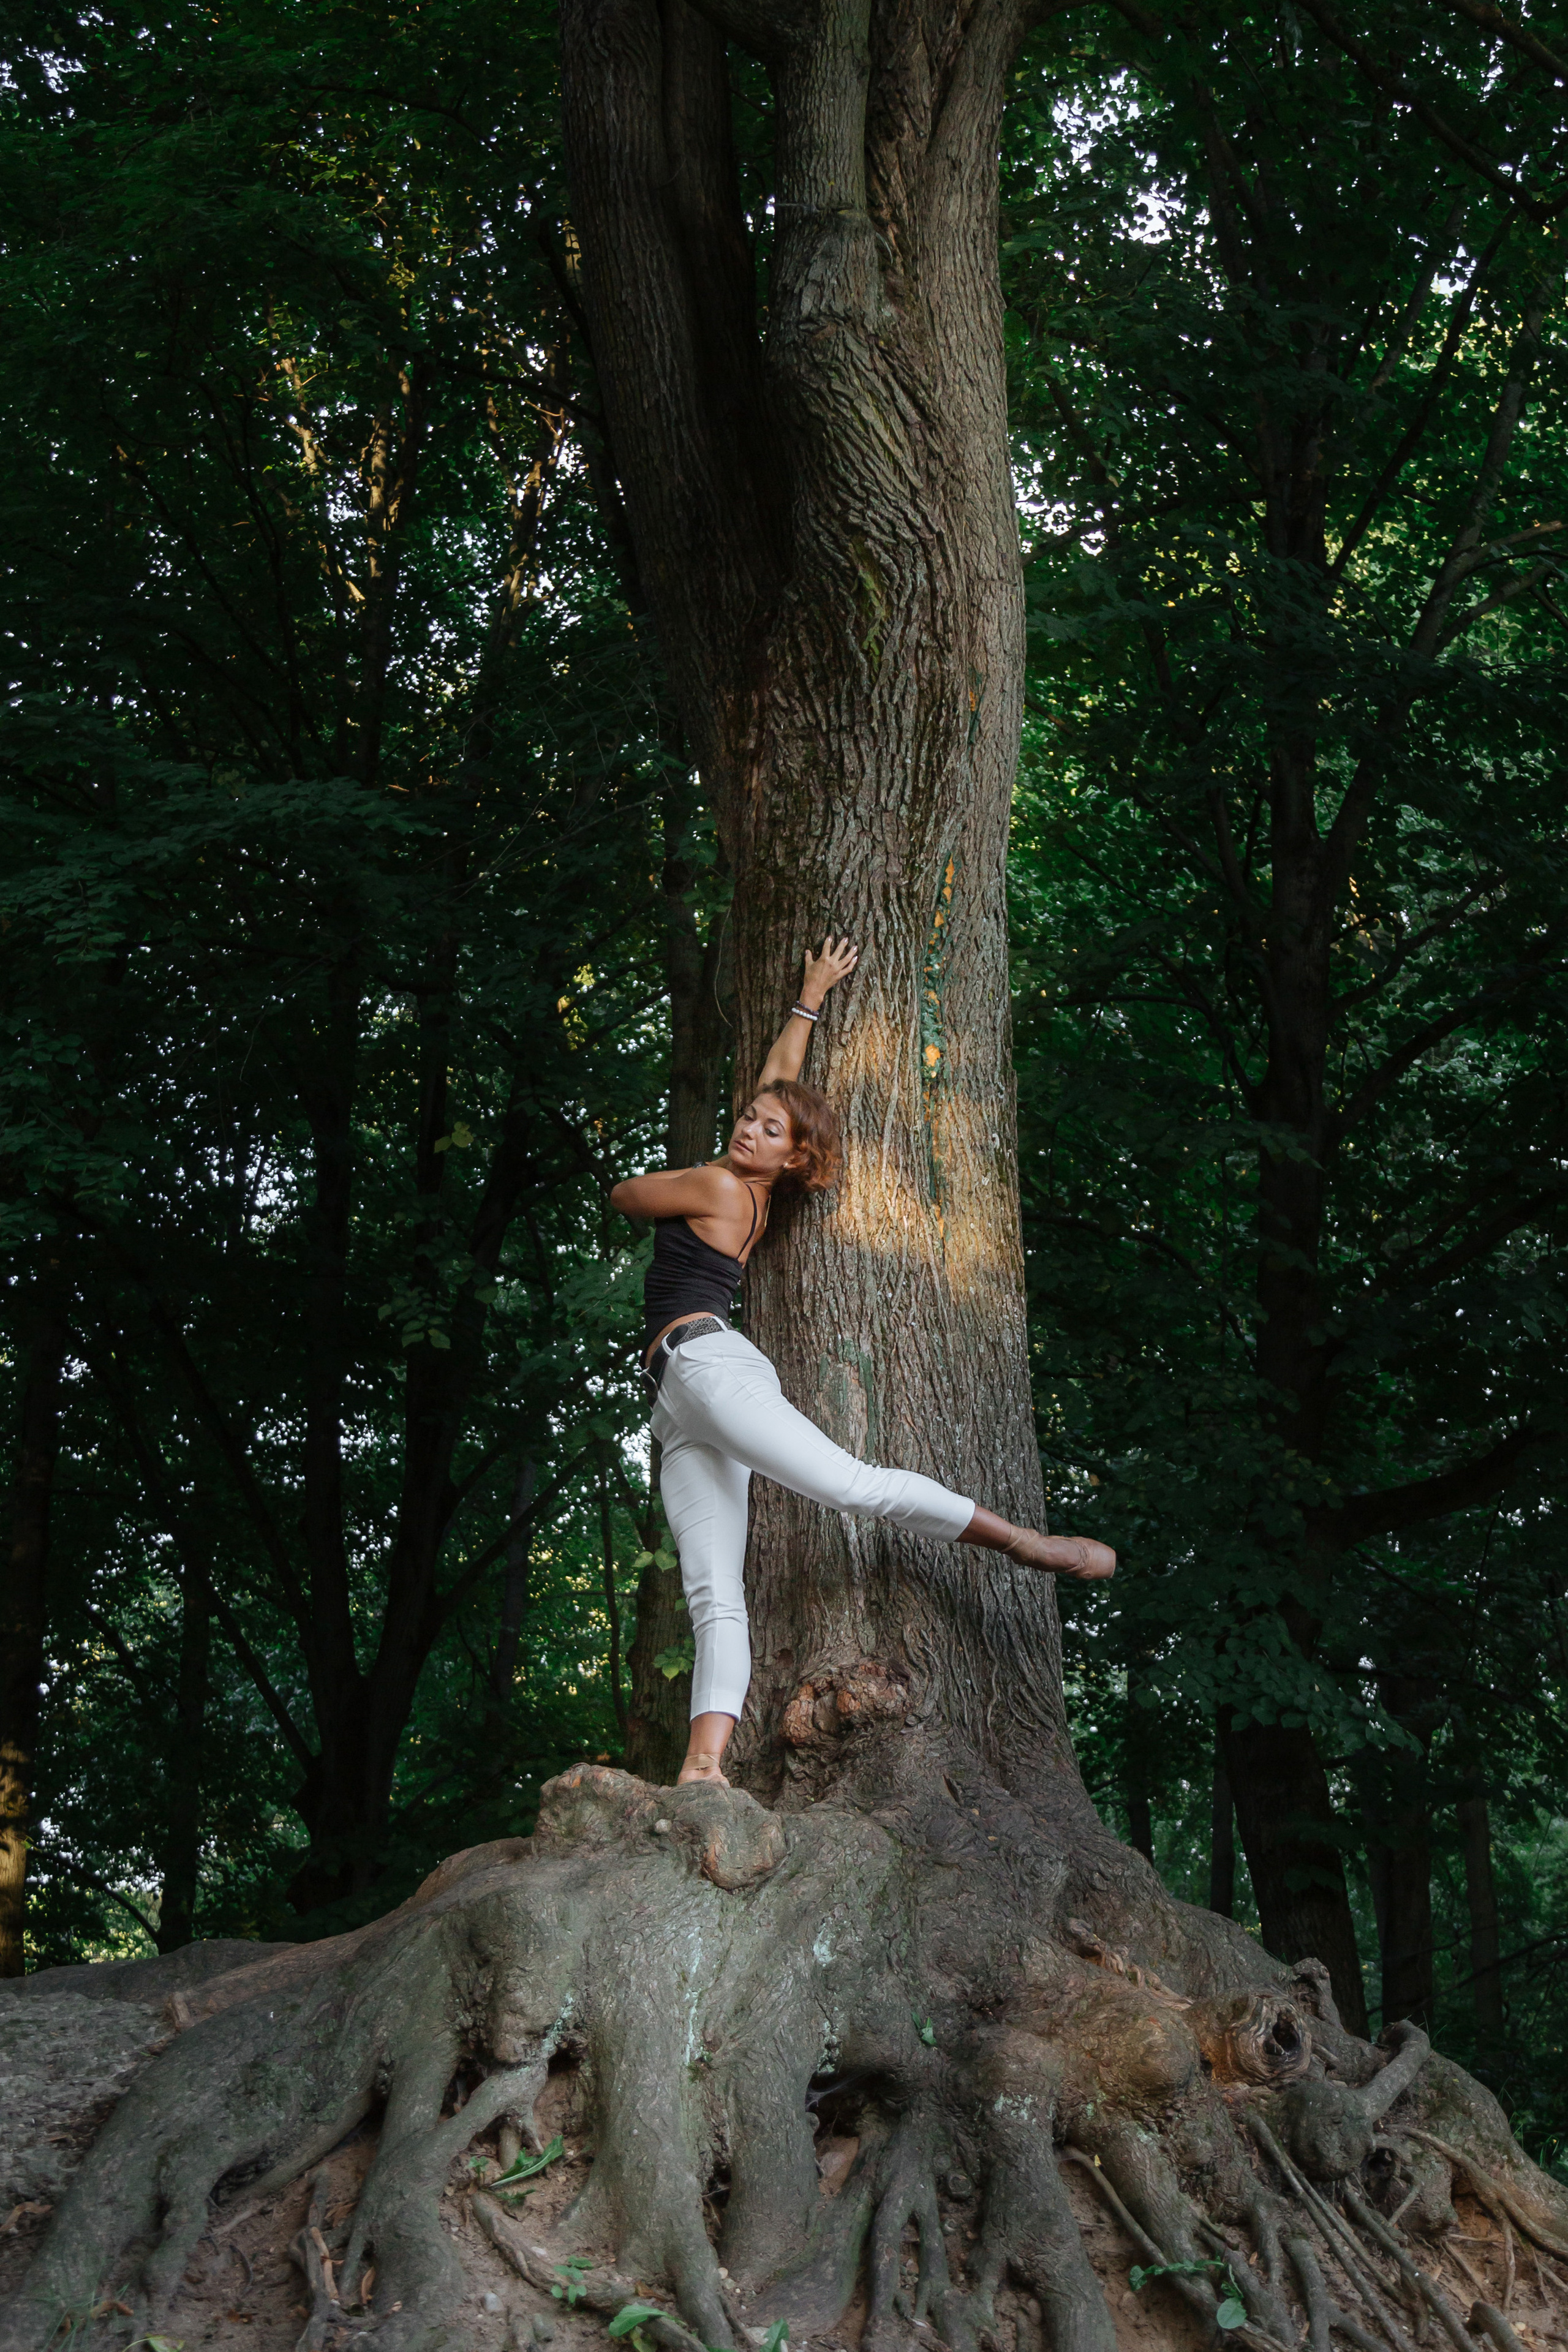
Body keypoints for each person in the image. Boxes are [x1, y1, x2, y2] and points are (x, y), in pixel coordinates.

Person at [609, 936, 1115, 1787]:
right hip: (678, 1400)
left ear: (790, 1158)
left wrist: (680, 1170)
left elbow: (625, 1196)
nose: (747, 1125)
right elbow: (775, 1082)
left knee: (852, 1484)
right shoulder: (752, 1185)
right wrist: (808, 998)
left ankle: (1025, 1543)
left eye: (767, 1128)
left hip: (710, 1369)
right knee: (712, 1592)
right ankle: (703, 1771)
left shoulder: (721, 1188)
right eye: (747, 1119)